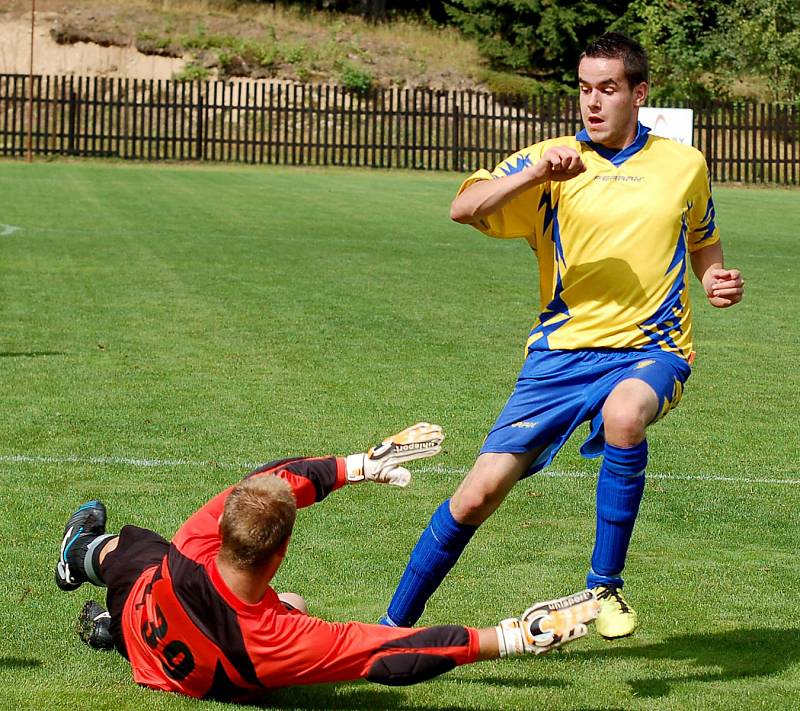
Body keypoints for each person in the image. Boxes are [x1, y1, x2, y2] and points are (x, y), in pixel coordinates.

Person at [379, 32, 744, 639]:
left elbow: (702, 237)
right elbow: (463, 207)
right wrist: (535, 176)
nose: (592, 103)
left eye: (607, 89)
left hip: (652, 349)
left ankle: (604, 587)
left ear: (639, 93)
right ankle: (391, 629)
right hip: (560, 356)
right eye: (583, 89)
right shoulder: (554, 159)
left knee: (626, 414)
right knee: (475, 497)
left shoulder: (684, 165)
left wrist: (715, 280)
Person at [55, 423, 599, 702]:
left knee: (131, 549)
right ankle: (112, 630)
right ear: (281, 550)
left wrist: (361, 464)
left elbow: (272, 478)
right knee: (292, 604)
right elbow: (392, 655)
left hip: (148, 609)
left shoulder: (195, 544)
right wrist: (511, 637)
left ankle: (82, 559)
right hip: (205, 677)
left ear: (224, 528)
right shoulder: (274, 640)